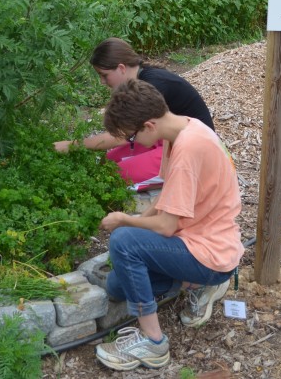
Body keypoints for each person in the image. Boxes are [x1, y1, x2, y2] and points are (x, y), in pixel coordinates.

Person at [93, 79, 243, 371]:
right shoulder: (181, 129)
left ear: (149, 125)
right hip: (193, 240)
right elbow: (166, 197)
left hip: (210, 252)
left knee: (123, 241)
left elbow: (165, 227)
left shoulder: (188, 149)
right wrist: (139, 222)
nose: (134, 144)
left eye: (133, 137)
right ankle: (192, 282)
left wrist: (125, 221)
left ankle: (153, 343)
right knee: (116, 285)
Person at [54, 38, 215, 187]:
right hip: (165, 138)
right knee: (107, 162)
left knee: (115, 175)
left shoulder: (154, 84)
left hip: (191, 149)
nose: (102, 82)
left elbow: (122, 136)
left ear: (121, 68)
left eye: (104, 75)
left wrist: (73, 145)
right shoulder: (143, 77)